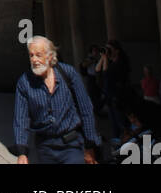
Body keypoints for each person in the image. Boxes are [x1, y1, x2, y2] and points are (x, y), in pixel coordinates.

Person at [13, 36, 100, 165]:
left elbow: (85, 109)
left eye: (38, 55)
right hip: (45, 148)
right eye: (31, 55)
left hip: (72, 145)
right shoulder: (25, 82)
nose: (34, 60)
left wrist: (90, 144)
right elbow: (21, 118)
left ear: (49, 56)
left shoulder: (68, 73)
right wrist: (22, 152)